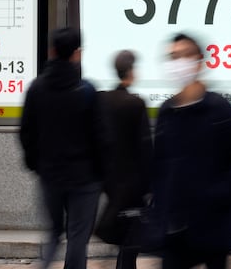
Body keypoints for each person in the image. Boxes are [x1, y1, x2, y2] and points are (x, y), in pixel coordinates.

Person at [152, 33, 231, 269]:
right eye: (174, 57)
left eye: (185, 55)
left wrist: (222, 201)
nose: (179, 63)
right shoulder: (167, 111)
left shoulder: (219, 109)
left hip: (213, 226)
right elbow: (159, 166)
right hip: (174, 229)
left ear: (199, 62)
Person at [19, 27, 110, 269]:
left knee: (53, 233)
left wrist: (37, 165)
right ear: (77, 54)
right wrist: (102, 173)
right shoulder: (86, 90)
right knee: (78, 237)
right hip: (85, 178)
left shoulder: (36, 89)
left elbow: (26, 133)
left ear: (52, 52)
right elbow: (100, 136)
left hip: (50, 175)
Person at [99, 50, 153, 269]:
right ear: (131, 71)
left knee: (120, 228)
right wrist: (150, 183)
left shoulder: (102, 99)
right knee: (131, 235)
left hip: (109, 177)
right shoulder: (135, 103)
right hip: (132, 180)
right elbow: (145, 147)